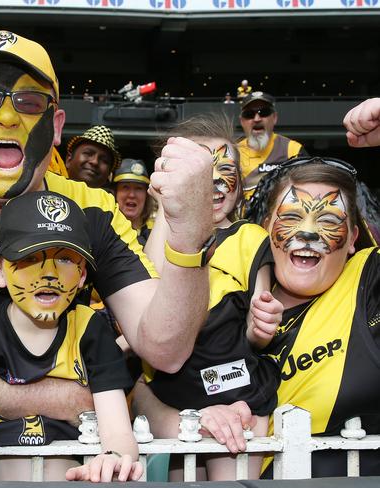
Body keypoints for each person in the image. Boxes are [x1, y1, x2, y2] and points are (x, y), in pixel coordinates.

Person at [0, 30, 215, 432]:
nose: (5, 117)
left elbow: (166, 349)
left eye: (28, 102)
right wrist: (58, 397)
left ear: (55, 126)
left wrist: (190, 235)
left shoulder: (93, 210)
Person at [0, 191, 142, 482]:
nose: (49, 274)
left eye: (65, 259)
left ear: (82, 276)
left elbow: (118, 433)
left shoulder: (89, 329)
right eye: (29, 258)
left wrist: (113, 458)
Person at [133, 113, 283, 480]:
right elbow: (153, 286)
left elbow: (256, 326)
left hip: (235, 393)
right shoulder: (158, 236)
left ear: (240, 186)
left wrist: (262, 326)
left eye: (223, 171)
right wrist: (174, 209)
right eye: (200, 173)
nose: (212, 184)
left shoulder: (250, 237)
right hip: (174, 394)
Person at [242, 154, 380, 478]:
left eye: (330, 222)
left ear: (352, 240)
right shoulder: (230, 303)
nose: (307, 233)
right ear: (266, 231)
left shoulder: (367, 280)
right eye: (291, 216)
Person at [238, 92, 308, 201]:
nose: (257, 118)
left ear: (274, 117)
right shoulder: (233, 153)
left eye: (264, 112)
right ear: (242, 121)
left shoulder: (293, 150)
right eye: (249, 114)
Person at [112, 158, 154, 245]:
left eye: (139, 188)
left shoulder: (156, 231)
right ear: (115, 193)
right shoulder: (104, 228)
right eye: (125, 187)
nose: (132, 195)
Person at [65, 125, 121, 189]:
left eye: (104, 160)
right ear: (68, 160)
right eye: (88, 153)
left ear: (109, 175)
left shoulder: (109, 199)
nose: (95, 162)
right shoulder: (53, 188)